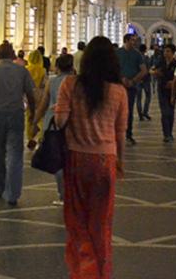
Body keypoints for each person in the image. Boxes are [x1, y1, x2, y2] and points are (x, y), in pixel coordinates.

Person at [54, 36, 127, 279]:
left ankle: (82, 271)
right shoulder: (119, 92)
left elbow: (60, 121)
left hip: (76, 161)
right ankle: (101, 272)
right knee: (101, 222)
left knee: (77, 221)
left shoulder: (70, 85)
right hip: (105, 161)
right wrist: (120, 162)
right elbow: (120, 133)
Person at [0, 42, 36, 206]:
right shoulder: (22, 71)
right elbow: (30, 95)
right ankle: (12, 193)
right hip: (17, 115)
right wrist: (32, 115)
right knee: (15, 154)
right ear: (12, 55)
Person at [31, 53, 74, 205]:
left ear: (57, 67)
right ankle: (72, 192)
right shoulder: (76, 81)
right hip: (72, 124)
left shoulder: (52, 82)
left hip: (53, 124)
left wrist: (34, 122)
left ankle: (63, 194)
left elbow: (43, 104)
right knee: (71, 158)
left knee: (57, 159)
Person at [116, 33, 148, 145]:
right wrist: (122, 78)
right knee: (116, 111)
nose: (134, 42)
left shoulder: (137, 55)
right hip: (118, 87)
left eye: (135, 40)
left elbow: (144, 70)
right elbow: (113, 68)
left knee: (128, 111)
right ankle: (117, 134)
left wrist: (133, 81)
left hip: (131, 88)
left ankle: (128, 134)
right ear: (126, 40)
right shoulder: (117, 53)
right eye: (132, 40)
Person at [154, 44, 176, 142]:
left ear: (173, 53)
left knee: (171, 112)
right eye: (165, 51)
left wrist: (173, 82)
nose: (166, 53)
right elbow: (152, 70)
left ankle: (170, 132)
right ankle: (166, 134)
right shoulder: (161, 62)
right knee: (164, 112)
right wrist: (156, 72)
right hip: (162, 89)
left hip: (172, 91)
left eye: (168, 51)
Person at [26, 49, 48, 150]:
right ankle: (39, 137)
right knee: (40, 117)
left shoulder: (26, 69)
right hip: (39, 96)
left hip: (28, 95)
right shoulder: (42, 70)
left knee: (29, 117)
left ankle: (30, 136)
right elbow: (45, 84)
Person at [137, 43, 153, 121]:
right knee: (148, 96)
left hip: (138, 80)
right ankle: (145, 111)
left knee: (139, 98)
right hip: (146, 80)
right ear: (145, 50)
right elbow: (148, 68)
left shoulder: (135, 58)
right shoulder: (147, 58)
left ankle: (140, 114)